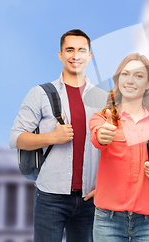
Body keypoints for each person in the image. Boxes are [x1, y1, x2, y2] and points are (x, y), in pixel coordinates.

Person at [10, 29, 107, 242]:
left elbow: (110, 149)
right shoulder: (40, 93)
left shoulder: (103, 99)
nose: (76, 55)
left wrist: (103, 185)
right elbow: (16, 138)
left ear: (90, 56)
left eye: (82, 50)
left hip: (90, 198)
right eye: (69, 50)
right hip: (50, 197)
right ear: (60, 54)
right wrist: (52, 138)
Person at [89, 53, 149, 242]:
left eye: (138, 76)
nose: (130, 80)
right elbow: (98, 138)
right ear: (118, 79)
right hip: (108, 220)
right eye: (125, 74)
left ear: (148, 84)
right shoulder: (103, 118)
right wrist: (102, 134)